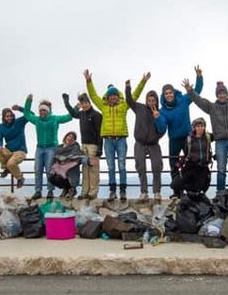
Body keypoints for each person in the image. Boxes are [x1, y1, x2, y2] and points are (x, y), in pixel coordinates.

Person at [85, 69, 148, 202]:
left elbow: (135, 95)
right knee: (111, 166)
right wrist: (89, 81)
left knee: (122, 165)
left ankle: (123, 191)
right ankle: (112, 191)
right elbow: (93, 96)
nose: (112, 97)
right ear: (107, 97)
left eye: (114, 95)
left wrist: (143, 81)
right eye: (110, 95)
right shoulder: (103, 107)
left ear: (117, 96)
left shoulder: (124, 106)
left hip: (121, 140)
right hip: (107, 140)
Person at [186, 71, 228, 194]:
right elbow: (199, 101)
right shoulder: (211, 107)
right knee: (221, 169)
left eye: (224, 93)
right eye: (220, 93)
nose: (222, 95)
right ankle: (220, 193)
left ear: (227, 94)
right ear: (217, 95)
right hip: (220, 142)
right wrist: (190, 91)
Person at [22, 95, 73, 200]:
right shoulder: (37, 120)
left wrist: (76, 108)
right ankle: (38, 191)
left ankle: (50, 191)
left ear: (48, 111)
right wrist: (28, 101)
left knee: (50, 170)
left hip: (51, 148)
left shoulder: (55, 119)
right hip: (39, 148)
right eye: (41, 110)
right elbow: (26, 114)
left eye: (44, 110)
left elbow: (69, 117)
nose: (42, 112)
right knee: (37, 169)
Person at [159, 67, 204, 183]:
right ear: (163, 96)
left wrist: (199, 77)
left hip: (187, 138)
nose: (169, 95)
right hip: (174, 140)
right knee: (173, 164)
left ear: (174, 93)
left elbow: (197, 92)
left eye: (170, 92)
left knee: (191, 161)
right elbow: (162, 127)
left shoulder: (183, 100)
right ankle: (176, 190)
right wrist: (157, 118)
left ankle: (190, 188)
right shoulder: (162, 111)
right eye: (166, 93)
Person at [126, 81, 167, 203]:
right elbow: (129, 100)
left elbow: (163, 130)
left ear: (156, 101)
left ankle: (157, 192)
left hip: (154, 143)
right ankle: (144, 192)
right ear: (146, 100)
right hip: (140, 143)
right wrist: (128, 88)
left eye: (153, 100)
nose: (151, 103)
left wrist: (158, 119)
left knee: (157, 166)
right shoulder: (139, 108)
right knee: (141, 167)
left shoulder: (161, 113)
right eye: (149, 100)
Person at [62, 92, 103, 201]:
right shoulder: (81, 114)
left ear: (89, 102)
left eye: (85, 102)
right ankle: (84, 192)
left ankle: (93, 193)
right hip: (84, 145)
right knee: (85, 169)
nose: (84, 105)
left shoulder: (96, 115)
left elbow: (100, 133)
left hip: (94, 146)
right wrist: (67, 103)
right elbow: (72, 113)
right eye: (82, 103)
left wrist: (100, 148)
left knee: (93, 170)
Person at [170, 117, 213, 197]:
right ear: (194, 128)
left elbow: (219, 137)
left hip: (202, 167)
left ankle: (192, 191)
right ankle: (188, 190)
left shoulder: (208, 137)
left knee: (200, 188)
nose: (200, 128)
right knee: (174, 184)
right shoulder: (189, 139)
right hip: (190, 166)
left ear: (204, 127)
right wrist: (178, 165)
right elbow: (186, 154)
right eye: (198, 126)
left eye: (202, 126)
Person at [0, 105, 28, 188]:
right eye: (7, 116)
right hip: (9, 150)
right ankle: (7, 168)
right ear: (4, 117)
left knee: (11, 164)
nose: (9, 118)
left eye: (11, 116)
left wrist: (20, 108)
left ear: (13, 115)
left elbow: (30, 114)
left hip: (20, 150)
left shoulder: (19, 122)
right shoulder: (1, 127)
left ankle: (20, 178)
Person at [48, 131, 90, 199]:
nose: (70, 138)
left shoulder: (75, 148)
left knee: (59, 178)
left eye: (73, 138)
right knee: (51, 178)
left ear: (74, 140)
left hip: (71, 171)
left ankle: (72, 190)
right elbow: (55, 159)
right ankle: (66, 189)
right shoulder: (59, 148)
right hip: (61, 170)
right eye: (69, 136)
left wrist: (88, 161)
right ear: (65, 137)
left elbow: (81, 156)